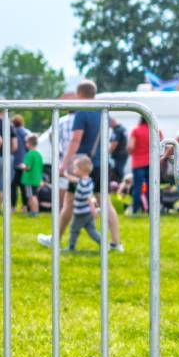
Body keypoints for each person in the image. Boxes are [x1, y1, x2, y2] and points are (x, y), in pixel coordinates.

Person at [39, 81, 122, 251]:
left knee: (68, 203)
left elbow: (76, 139)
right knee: (105, 203)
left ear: (79, 94)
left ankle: (56, 239)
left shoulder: (82, 111)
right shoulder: (103, 112)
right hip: (100, 163)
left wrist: (65, 163)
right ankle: (116, 243)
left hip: (83, 164)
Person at [127, 115, 165, 216]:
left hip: (138, 162)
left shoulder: (135, 130)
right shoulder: (157, 130)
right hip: (152, 162)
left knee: (137, 188)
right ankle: (151, 210)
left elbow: (130, 146)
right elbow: (162, 146)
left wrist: (132, 152)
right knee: (152, 187)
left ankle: (135, 210)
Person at [66, 155, 101, 251]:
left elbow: (89, 198)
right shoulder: (88, 181)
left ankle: (71, 247)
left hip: (81, 213)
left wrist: (94, 210)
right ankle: (103, 243)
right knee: (91, 230)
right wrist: (66, 175)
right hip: (87, 212)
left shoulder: (83, 184)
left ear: (81, 170)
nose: (73, 169)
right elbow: (76, 180)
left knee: (74, 229)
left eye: (75, 168)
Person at [19, 134, 43, 216]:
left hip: (29, 179)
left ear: (29, 143)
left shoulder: (29, 154)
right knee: (34, 195)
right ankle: (35, 211)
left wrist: (22, 166)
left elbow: (28, 167)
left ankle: (34, 212)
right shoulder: (38, 154)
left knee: (31, 196)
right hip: (36, 178)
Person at [9, 115, 28, 212]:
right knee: (23, 186)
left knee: (13, 186)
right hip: (24, 162)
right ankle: (25, 207)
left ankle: (13, 207)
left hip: (13, 162)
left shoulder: (11, 132)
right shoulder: (26, 132)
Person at [108, 116, 129, 186]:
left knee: (118, 171)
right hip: (123, 154)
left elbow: (114, 144)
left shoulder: (117, 130)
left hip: (119, 154)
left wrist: (107, 153)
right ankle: (121, 185)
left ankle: (120, 186)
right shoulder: (123, 128)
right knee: (120, 170)